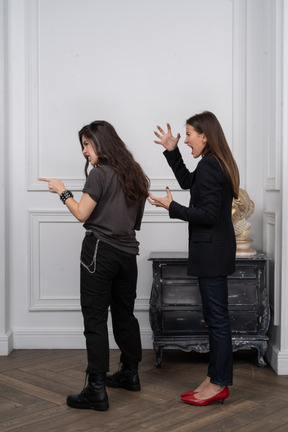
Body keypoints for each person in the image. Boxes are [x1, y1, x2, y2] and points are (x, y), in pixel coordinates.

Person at [39, 120, 150, 411]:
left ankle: (96, 390)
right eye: (83, 146)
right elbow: (133, 224)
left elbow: (81, 213)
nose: (84, 151)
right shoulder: (137, 175)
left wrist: (62, 191)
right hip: (127, 255)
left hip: (99, 252)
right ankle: (130, 374)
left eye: (87, 144)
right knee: (125, 315)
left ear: (102, 143)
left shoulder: (99, 175)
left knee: (95, 319)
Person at [148, 111, 239, 406]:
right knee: (216, 319)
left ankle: (220, 383)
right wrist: (172, 151)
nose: (185, 140)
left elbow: (209, 215)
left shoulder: (212, 165)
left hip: (212, 252)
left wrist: (173, 207)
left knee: (217, 321)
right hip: (213, 251)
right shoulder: (211, 163)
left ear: (204, 135)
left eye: (188, 135)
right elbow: (188, 181)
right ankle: (214, 379)